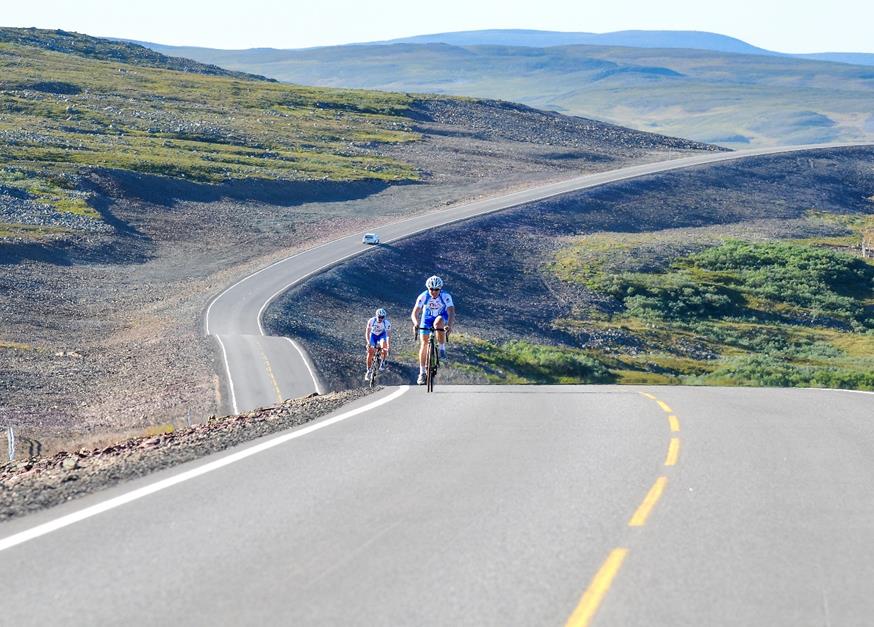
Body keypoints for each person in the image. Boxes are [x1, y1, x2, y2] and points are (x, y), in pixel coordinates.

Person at [410, 275, 455, 385]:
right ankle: (422, 373)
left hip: (441, 316)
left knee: (438, 322)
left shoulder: (445, 296)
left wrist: (449, 325)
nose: (434, 292)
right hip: (426, 319)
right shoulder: (423, 296)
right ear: (428, 288)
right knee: (424, 344)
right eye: (431, 289)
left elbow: (451, 312)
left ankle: (442, 348)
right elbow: (414, 313)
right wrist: (416, 323)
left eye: (436, 289)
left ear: (440, 289)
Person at [364, 308, 391, 380]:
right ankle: (368, 371)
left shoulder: (387, 323)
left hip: (382, 335)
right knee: (370, 352)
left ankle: (382, 361)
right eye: (379, 317)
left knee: (384, 346)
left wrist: (388, 346)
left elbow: (388, 335)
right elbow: (367, 333)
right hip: (373, 335)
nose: (380, 319)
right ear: (376, 316)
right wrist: (368, 343)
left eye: (382, 317)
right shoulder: (371, 321)